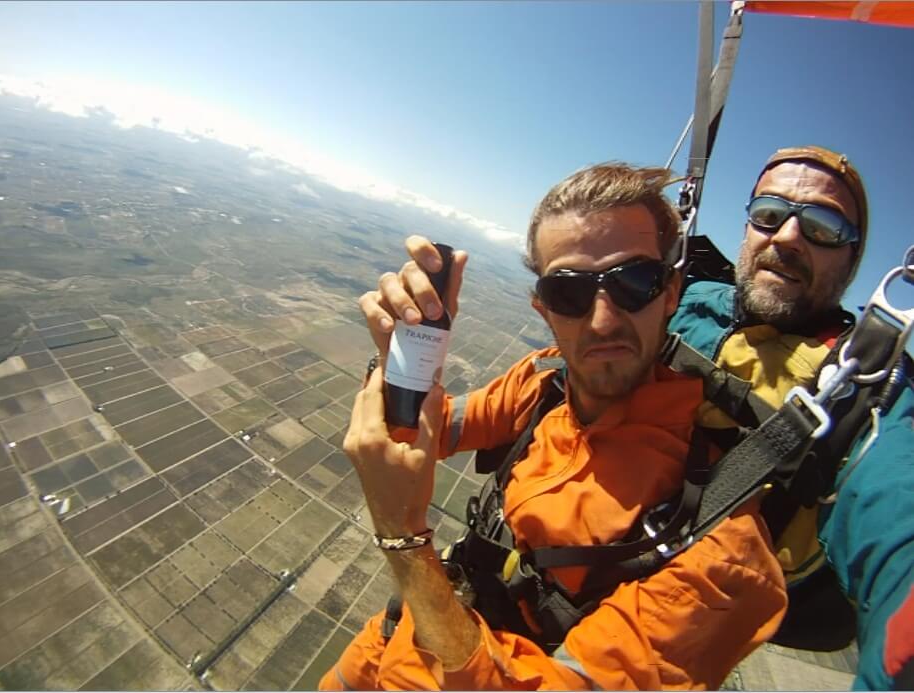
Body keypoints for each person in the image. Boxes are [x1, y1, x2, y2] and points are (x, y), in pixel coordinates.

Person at [357, 145, 914, 690]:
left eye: (632, 284)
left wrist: (403, 538)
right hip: (399, 633)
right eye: (567, 291)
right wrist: (405, 365)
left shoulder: (721, 551)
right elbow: (418, 435)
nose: (601, 319)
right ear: (542, 308)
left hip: (453, 644)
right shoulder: (544, 380)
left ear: (670, 292)